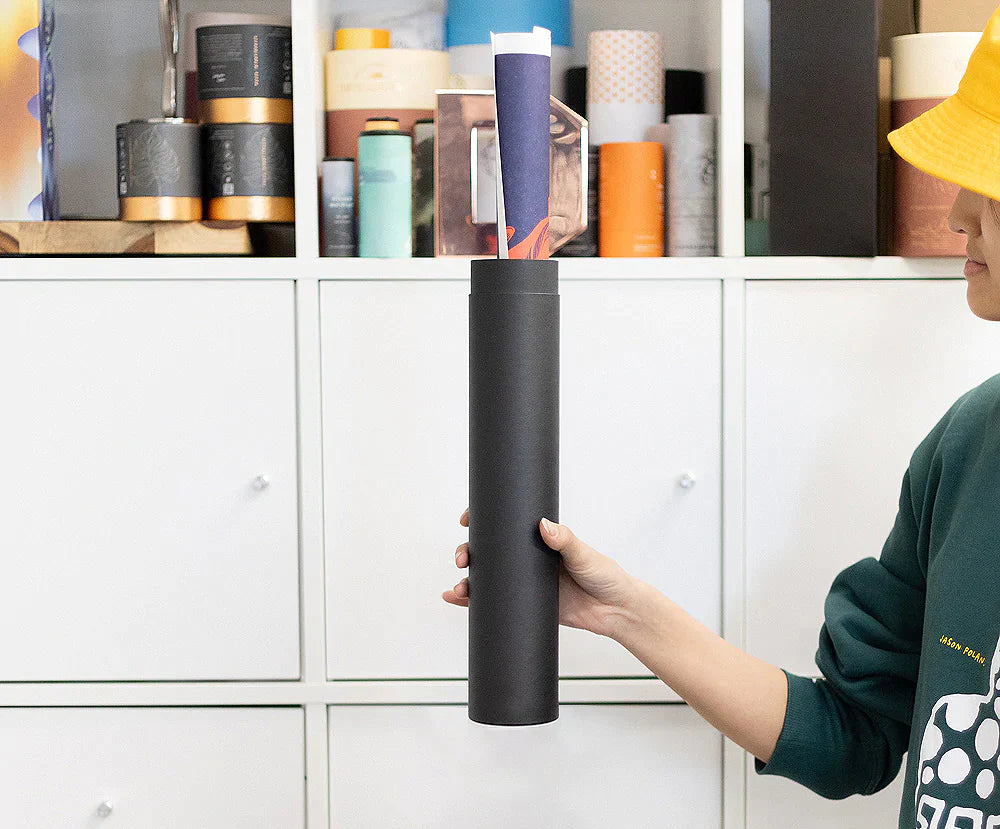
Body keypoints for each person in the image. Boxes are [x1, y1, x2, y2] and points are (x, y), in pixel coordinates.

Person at [443, 9, 1000, 828]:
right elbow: (854, 733)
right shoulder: (968, 446)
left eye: (985, 188)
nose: (954, 216)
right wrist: (621, 609)